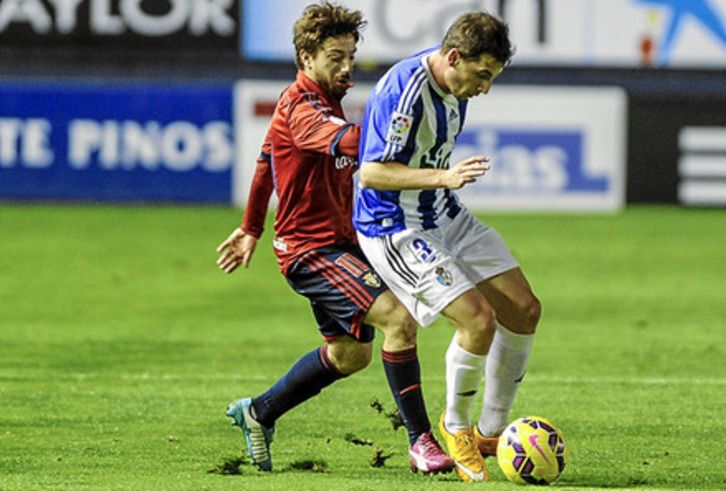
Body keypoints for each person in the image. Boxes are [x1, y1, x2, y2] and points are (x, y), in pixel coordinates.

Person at [216, 2, 453, 475]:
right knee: (399, 321)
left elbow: (265, 164)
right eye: (334, 56)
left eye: (351, 55)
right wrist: (406, 138)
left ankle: (259, 413)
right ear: (306, 57)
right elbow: (349, 142)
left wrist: (251, 228)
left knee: (351, 355)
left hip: (341, 244)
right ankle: (421, 442)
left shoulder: (320, 99)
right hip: (312, 251)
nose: (347, 67)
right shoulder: (302, 107)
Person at [353, 11, 541, 482]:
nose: (485, 88)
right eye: (482, 75)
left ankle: (491, 432)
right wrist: (444, 176)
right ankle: (454, 427)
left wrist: (443, 185)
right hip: (395, 227)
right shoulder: (405, 91)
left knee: (524, 309)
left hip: (444, 215)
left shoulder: (456, 87)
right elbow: (372, 173)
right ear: (454, 56)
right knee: (478, 321)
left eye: (492, 78)